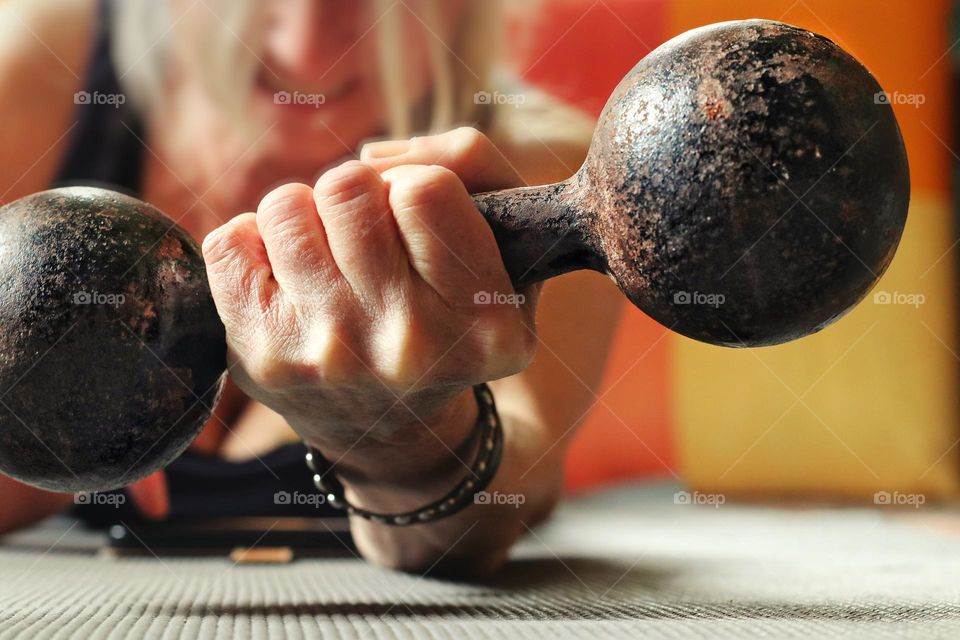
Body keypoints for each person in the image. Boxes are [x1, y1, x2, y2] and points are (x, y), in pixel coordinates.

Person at [0, 0, 623, 575]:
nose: (308, 51)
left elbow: (506, 496)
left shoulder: (554, 175)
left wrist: (403, 448)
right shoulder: (45, 67)